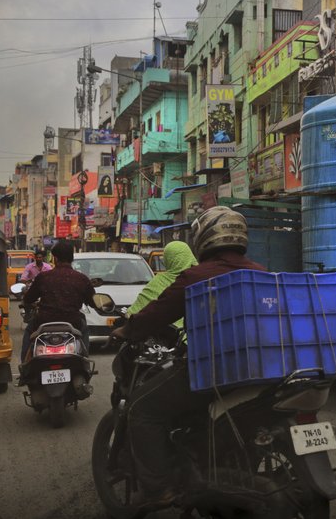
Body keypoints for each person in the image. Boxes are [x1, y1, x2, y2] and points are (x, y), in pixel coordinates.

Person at [109, 206, 265, 505]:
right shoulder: (261, 272)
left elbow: (158, 312)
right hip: (261, 368)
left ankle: (159, 489)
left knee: (142, 408)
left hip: (213, 370)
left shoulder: (196, 276)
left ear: (204, 239)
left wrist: (128, 331)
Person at [20, 240, 95, 365]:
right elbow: (93, 302)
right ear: (72, 258)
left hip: (44, 321)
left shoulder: (44, 277)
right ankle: (85, 361)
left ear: (54, 258)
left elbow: (28, 299)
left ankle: (25, 365)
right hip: (73, 322)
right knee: (85, 329)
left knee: (28, 331)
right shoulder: (81, 278)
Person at [125, 241, 197, 328]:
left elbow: (135, 312)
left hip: (168, 337)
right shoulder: (199, 278)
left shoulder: (159, 281)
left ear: (167, 259)